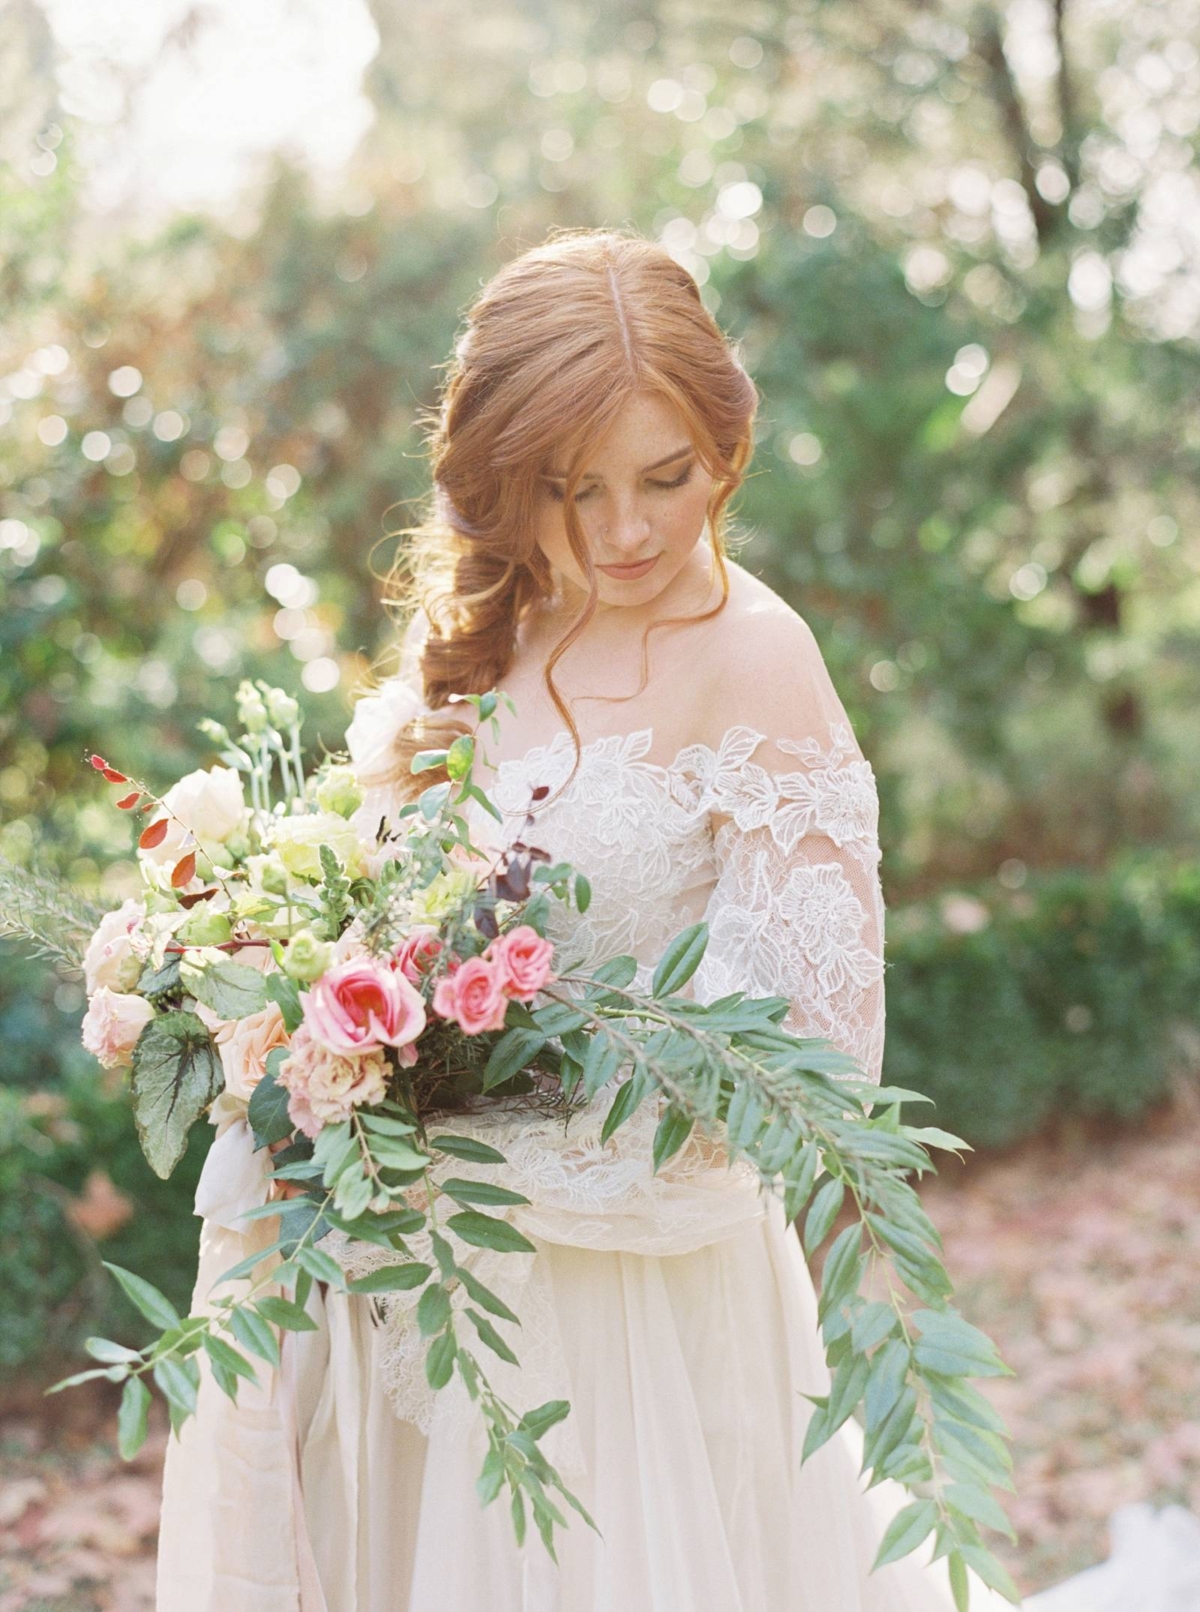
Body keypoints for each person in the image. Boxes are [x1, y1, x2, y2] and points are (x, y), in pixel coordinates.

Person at [155, 227, 1200, 1611]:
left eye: (665, 477)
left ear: (727, 442)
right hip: (428, 1302)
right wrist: (306, 1020)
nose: (624, 534)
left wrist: (473, 1104)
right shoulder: (488, 624)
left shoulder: (757, 662)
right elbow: (379, 903)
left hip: (637, 1334)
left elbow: (805, 1071)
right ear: (502, 482)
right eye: (569, 490)